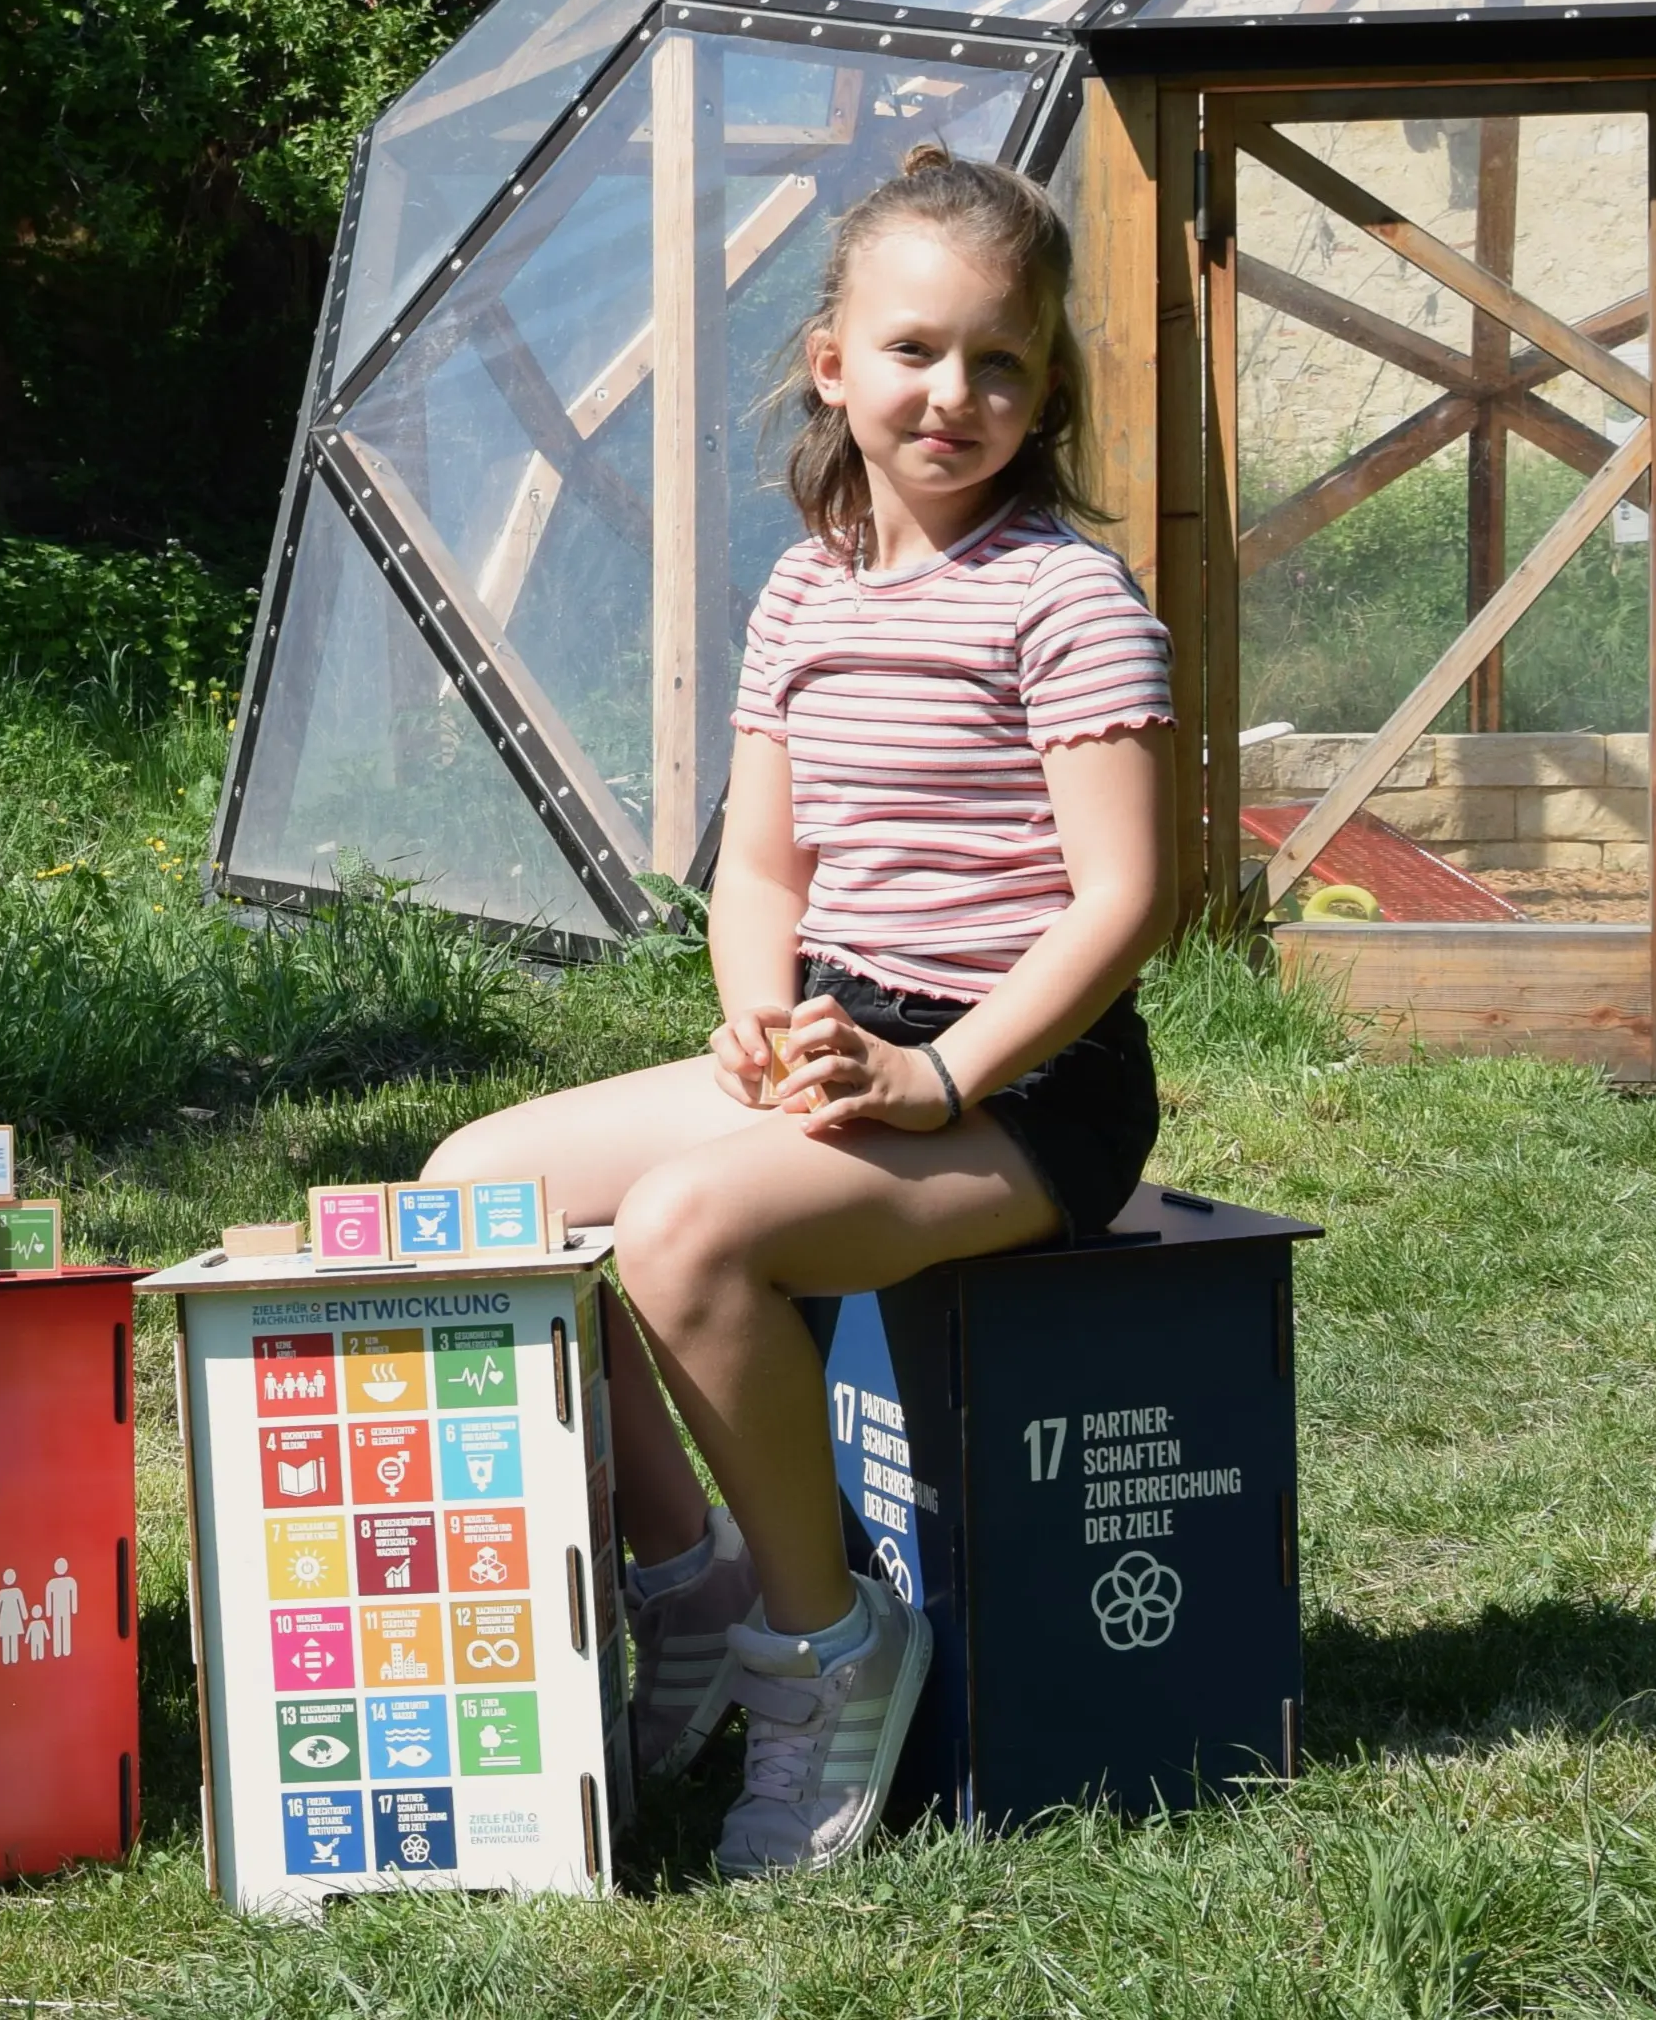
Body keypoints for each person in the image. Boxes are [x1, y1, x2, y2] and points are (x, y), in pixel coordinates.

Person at [424, 148, 1172, 1880]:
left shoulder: (1067, 599)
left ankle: (827, 1651)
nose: (955, 394)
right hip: (842, 1034)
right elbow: (761, 870)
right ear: (833, 359)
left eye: (1001, 360)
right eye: (916, 350)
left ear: (1048, 382)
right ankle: (686, 1578)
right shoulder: (806, 589)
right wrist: (763, 1021)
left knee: (683, 1234)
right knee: (479, 1186)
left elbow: (1129, 902)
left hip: (1025, 1086)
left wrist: (938, 1075)